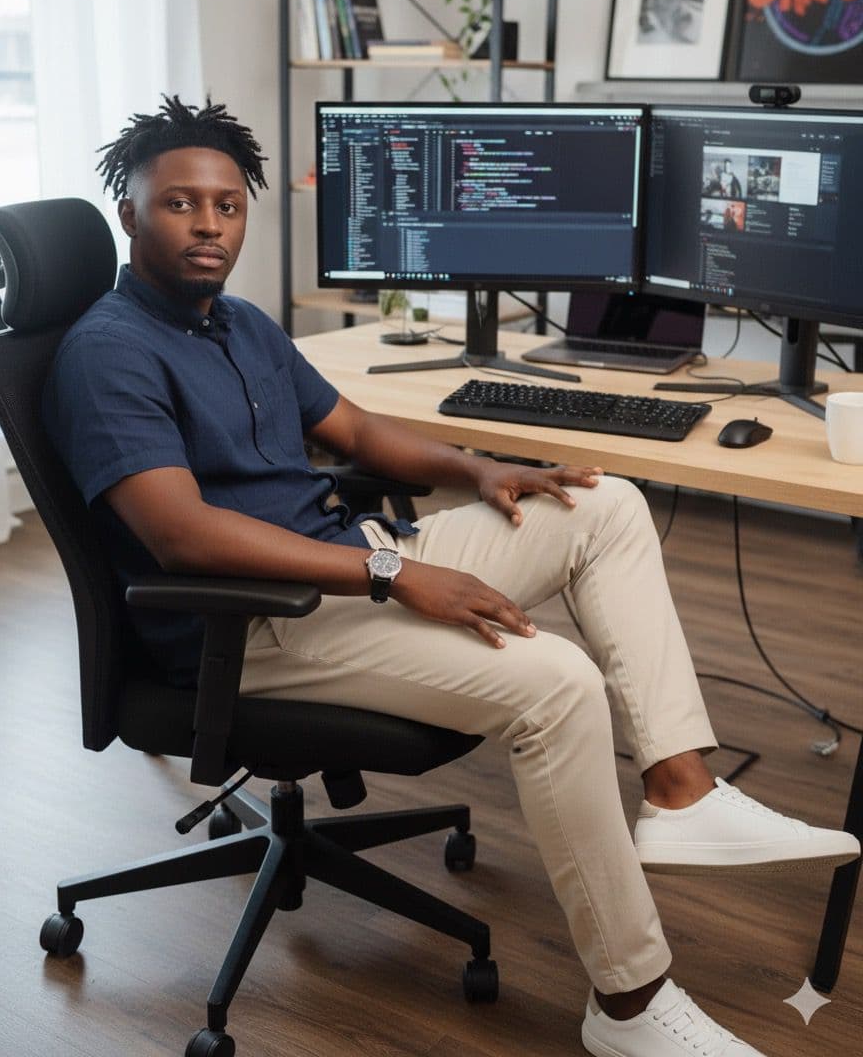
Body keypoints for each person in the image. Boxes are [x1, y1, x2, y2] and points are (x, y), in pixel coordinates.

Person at [43, 97, 859, 1057]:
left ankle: (682, 792)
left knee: (601, 504)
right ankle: (630, 1005)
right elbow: (183, 538)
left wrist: (479, 470)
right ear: (130, 217)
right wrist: (394, 572)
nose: (210, 226)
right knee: (558, 684)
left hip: (344, 566)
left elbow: (351, 431)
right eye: (180, 205)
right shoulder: (108, 353)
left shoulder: (239, 323)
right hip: (260, 625)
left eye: (226, 205)